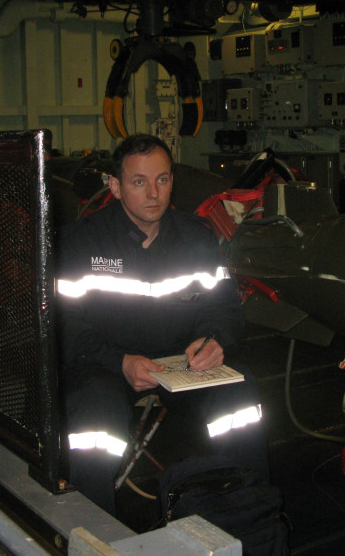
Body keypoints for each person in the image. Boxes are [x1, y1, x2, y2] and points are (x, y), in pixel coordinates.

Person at [55, 134, 269, 516]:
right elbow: (65, 325)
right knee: (93, 425)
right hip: (106, 367)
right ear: (116, 187)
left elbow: (225, 308)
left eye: (163, 179)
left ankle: (247, 514)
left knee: (240, 397)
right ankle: (91, 531)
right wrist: (118, 361)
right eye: (139, 182)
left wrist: (214, 339)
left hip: (181, 365)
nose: (153, 193)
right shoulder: (80, 244)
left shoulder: (197, 239)